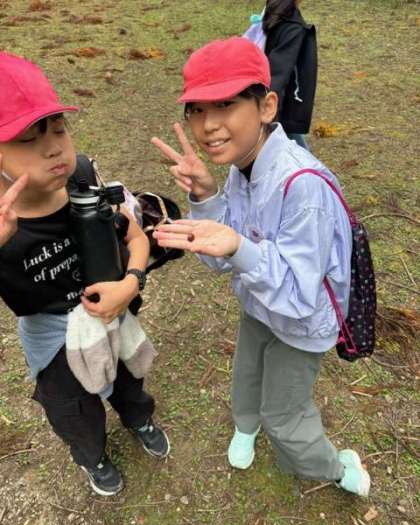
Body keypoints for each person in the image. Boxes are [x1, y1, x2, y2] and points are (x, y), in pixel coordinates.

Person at [151, 37, 370, 497]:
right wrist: (206, 196)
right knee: (247, 372)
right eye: (196, 109)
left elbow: (298, 295)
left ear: (267, 106)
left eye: (226, 104)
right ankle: (245, 425)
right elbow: (222, 254)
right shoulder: (241, 166)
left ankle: (334, 466)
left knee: (285, 418)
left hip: (302, 323)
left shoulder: (303, 187)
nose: (208, 125)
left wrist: (239, 248)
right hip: (258, 306)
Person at [0, 52, 169, 497]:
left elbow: (135, 237)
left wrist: (130, 283)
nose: (53, 148)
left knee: (128, 378)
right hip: (52, 336)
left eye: (58, 129)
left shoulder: (82, 177)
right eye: (28, 139)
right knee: (73, 407)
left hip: (112, 311)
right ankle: (93, 456)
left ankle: (139, 419)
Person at [244, 0, 317, 150]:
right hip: (276, 106)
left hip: (261, 97)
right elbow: (277, 74)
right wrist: (267, 113)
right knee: (295, 150)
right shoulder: (292, 26)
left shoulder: (273, 11)